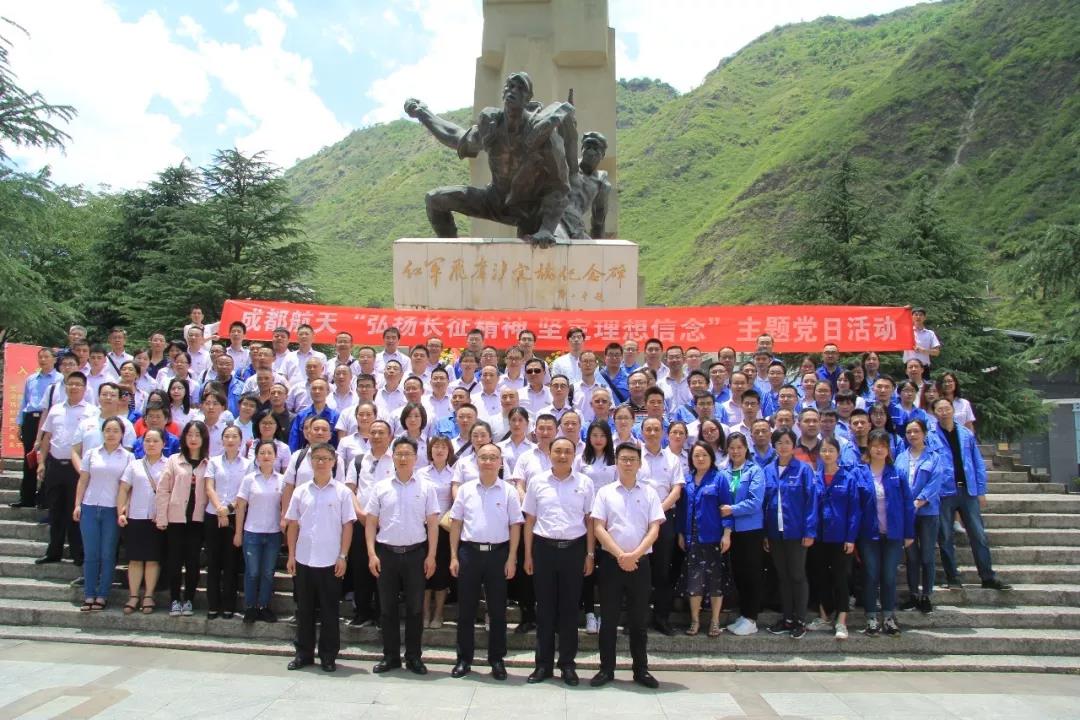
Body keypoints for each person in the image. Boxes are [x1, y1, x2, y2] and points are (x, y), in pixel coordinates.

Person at [589, 442, 664, 689]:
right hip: (611, 563)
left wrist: (635, 555)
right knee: (608, 620)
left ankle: (641, 670)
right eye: (624, 459)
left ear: (640, 463)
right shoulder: (605, 493)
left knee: (638, 621)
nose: (628, 463)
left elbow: (654, 528)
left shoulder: (650, 493)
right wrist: (621, 555)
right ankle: (606, 669)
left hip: (641, 564)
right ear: (616, 462)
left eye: (633, 459)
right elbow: (598, 527)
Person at [522, 437, 596, 686]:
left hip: (574, 550)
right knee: (544, 609)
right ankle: (542, 665)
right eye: (557, 451)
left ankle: (567, 664)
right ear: (549, 454)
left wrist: (589, 554)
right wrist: (528, 554)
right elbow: (530, 520)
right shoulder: (537, 482)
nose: (562, 456)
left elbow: (590, 522)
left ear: (574, 455)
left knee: (569, 610)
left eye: (567, 452)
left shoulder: (585, 483)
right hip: (544, 549)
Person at [364, 437, 441, 675]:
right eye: (399, 453)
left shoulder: (426, 487)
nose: (403, 458)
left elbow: (433, 524)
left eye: (408, 454)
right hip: (386, 554)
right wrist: (371, 554)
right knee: (387, 609)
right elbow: (371, 522)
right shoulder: (381, 487)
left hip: (416, 554)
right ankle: (390, 656)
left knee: (415, 609)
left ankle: (414, 657)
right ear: (393, 457)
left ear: (416, 458)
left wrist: (431, 555)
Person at [447, 442, 523, 680]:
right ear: (476, 461)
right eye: (483, 457)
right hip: (469, 553)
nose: (488, 461)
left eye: (493, 457)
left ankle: (497, 659)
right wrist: (453, 556)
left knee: (498, 610)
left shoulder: (508, 491)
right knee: (466, 609)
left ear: (500, 462)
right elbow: (456, 523)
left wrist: (512, 557)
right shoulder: (466, 490)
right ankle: (464, 659)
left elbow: (515, 525)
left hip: (498, 554)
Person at [284, 442, 354, 672]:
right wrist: (291, 555)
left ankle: (328, 656)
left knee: (329, 611)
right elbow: (293, 524)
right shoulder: (301, 491)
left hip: (331, 560)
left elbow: (347, 526)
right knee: (304, 610)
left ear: (334, 462)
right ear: (311, 462)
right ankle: (303, 654)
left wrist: (343, 556)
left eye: (326, 458)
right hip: (304, 558)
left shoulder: (342, 492)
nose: (321, 462)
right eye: (317, 458)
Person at [932, 398, 1012, 591]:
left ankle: (987, 576)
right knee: (945, 537)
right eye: (940, 409)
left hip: (968, 491)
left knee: (978, 535)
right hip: (944, 492)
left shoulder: (966, 434)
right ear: (934, 413)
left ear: (953, 410)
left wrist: (981, 490)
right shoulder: (931, 436)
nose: (944, 412)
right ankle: (953, 578)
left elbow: (977, 463)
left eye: (947, 408)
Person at [35, 371, 99, 566]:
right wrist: (41, 462)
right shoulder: (55, 409)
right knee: (55, 510)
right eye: (70, 384)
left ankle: (77, 554)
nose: (74, 387)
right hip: (55, 465)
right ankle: (53, 552)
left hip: (77, 468)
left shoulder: (92, 411)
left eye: (78, 384)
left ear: (85, 388)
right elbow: (47, 437)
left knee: (74, 511)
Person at [857, 430, 915, 636]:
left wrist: (909, 533)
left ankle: (889, 617)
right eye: (875, 445)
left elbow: (908, 504)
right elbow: (855, 505)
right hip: (868, 535)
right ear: (869, 448)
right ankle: (871, 617)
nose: (879, 449)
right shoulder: (860, 472)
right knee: (871, 575)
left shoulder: (897, 472)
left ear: (888, 449)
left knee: (889, 576)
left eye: (883, 446)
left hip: (893, 534)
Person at [72, 417, 132, 611]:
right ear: (102, 432)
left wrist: (124, 509)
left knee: (107, 554)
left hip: (112, 509)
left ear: (122, 434)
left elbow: (128, 487)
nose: (111, 434)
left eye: (115, 431)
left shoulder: (128, 457)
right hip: (89, 506)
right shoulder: (91, 453)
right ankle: (89, 594)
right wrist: (77, 505)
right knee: (91, 553)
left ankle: (103, 595)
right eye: (108, 430)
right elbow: (83, 480)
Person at [763, 428, 817, 639]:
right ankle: (787, 618)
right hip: (775, 532)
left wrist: (809, 530)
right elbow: (764, 503)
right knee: (783, 576)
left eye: (787, 442)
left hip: (796, 532)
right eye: (779, 443)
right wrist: (765, 533)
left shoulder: (803, 470)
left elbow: (811, 502)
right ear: (774, 446)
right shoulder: (768, 470)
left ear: (793, 445)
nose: (783, 446)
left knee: (797, 575)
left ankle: (800, 620)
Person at [807, 437, 860, 640]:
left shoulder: (848, 478)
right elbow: (810, 508)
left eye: (831, 450)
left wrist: (851, 538)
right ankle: (823, 616)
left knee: (841, 578)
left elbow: (854, 511)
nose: (827, 454)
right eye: (824, 450)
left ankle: (841, 621)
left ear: (838, 453)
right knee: (820, 577)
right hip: (819, 537)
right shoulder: (815, 478)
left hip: (840, 537)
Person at [678, 441, 733, 638]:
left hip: (713, 536)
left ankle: (715, 621)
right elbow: (682, 510)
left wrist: (727, 534)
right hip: (692, 537)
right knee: (694, 580)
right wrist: (681, 533)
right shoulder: (687, 480)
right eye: (696, 455)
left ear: (711, 457)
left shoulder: (719, 478)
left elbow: (726, 508)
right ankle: (695, 620)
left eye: (704, 455)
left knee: (715, 580)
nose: (700, 459)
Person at [155, 420, 210, 617]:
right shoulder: (173, 460)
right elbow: (163, 490)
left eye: (197, 435)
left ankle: (189, 600)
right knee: (175, 561)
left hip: (197, 520)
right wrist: (162, 517)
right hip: (175, 519)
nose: (193, 439)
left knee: (193, 562)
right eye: (190, 435)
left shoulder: (208, 463)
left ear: (204, 438)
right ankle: (174, 599)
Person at [639, 416, 683, 636]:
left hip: (665, 519)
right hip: (638, 519)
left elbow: (676, 490)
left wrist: (658, 511)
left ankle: (661, 618)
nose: (652, 433)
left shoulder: (672, 459)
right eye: (648, 429)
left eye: (656, 429)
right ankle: (637, 618)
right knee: (638, 569)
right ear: (642, 432)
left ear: (663, 432)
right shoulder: (635, 456)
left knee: (663, 570)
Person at [574, 419, 618, 634]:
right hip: (587, 518)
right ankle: (590, 613)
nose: (598, 439)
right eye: (594, 435)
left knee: (609, 568)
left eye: (602, 435)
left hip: (610, 519)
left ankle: (608, 614)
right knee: (587, 567)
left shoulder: (615, 459)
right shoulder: (580, 459)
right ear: (588, 437)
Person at [720, 432, 766, 635]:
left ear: (746, 449)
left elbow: (755, 502)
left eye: (739, 447)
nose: (735, 451)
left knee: (752, 574)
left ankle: (752, 617)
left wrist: (732, 509)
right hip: (732, 531)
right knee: (739, 573)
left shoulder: (755, 471)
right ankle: (744, 614)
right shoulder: (725, 472)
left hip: (751, 530)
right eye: (732, 448)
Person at [895, 420, 943, 614]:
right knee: (912, 556)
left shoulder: (934, 457)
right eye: (908, 432)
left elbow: (935, 482)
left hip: (927, 512)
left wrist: (919, 501)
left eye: (916, 431)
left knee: (927, 555)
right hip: (907, 514)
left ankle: (927, 595)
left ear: (924, 433)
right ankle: (914, 594)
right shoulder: (900, 458)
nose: (912, 435)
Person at [235, 440, 285, 623]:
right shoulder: (249, 479)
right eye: (262, 453)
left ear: (275, 456)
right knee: (252, 572)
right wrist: (238, 533)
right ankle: (250, 607)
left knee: (268, 572)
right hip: (252, 532)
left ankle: (263, 606)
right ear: (256, 457)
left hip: (273, 533)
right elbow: (241, 507)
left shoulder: (282, 480)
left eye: (269, 453)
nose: (266, 456)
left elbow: (285, 507)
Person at [118, 428, 167, 614]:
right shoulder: (134, 465)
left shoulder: (169, 465)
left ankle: (148, 595)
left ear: (163, 444)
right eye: (147, 440)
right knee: (135, 559)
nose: (151, 444)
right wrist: (120, 512)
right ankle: (133, 595)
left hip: (157, 519)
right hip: (135, 517)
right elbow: (124, 489)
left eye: (155, 441)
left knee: (153, 560)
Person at [203, 425, 249, 618]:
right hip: (213, 515)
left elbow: (244, 493)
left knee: (231, 563)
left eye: (234, 436)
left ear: (240, 440)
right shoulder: (213, 462)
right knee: (213, 562)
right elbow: (209, 487)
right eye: (227, 436)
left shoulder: (247, 464)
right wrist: (220, 510)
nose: (230, 440)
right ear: (221, 440)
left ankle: (229, 605)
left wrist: (227, 509)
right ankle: (213, 605)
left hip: (235, 516)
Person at [13, 347, 60, 509]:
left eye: (47, 357)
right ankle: (26, 497)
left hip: (49, 419)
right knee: (29, 459)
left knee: (48, 458)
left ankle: (44, 498)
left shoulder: (60, 379)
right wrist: (20, 423)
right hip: (30, 420)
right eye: (41, 357)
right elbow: (24, 402)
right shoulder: (31, 379)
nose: (43, 360)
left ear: (54, 359)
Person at [418, 436, 455, 629]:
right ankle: (425, 613)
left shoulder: (454, 474)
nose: (439, 450)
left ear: (449, 451)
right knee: (424, 571)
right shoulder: (420, 473)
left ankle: (438, 614)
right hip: (423, 526)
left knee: (441, 572)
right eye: (436, 447)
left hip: (444, 528)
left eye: (443, 447)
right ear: (430, 451)